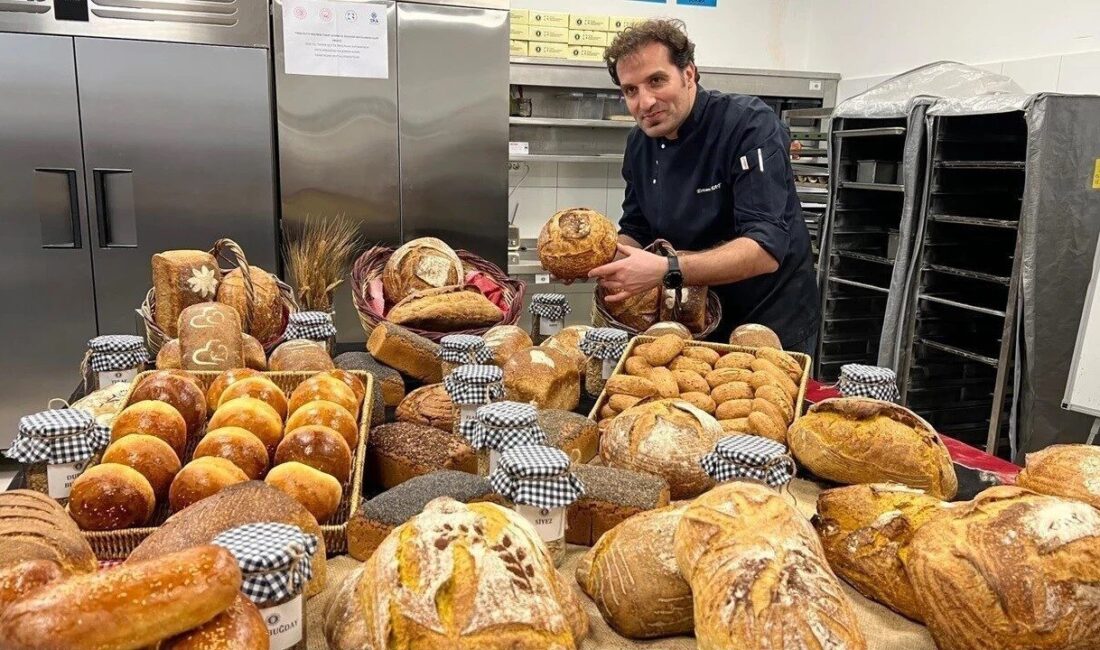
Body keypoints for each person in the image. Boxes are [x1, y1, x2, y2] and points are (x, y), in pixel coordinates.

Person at [588, 19, 821, 354]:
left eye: (656, 80)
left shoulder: (747, 124)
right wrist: (604, 260)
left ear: (689, 74)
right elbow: (636, 228)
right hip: (691, 323)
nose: (645, 102)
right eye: (631, 90)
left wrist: (666, 270)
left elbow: (765, 249)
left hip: (768, 325)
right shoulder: (639, 143)